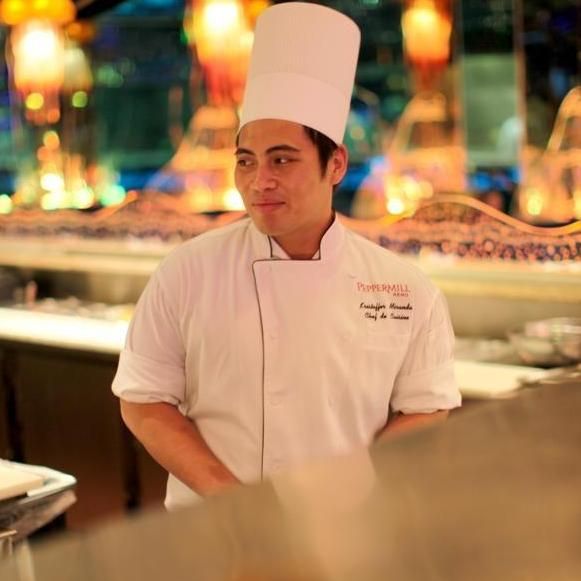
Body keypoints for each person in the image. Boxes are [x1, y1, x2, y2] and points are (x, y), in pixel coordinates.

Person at [112, 2, 461, 510]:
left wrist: (349, 492)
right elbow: (143, 400)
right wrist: (237, 504)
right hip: (214, 529)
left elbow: (427, 407)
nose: (260, 182)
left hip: (346, 529)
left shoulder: (405, 289)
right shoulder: (186, 273)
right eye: (246, 161)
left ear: (335, 164)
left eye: (282, 160)